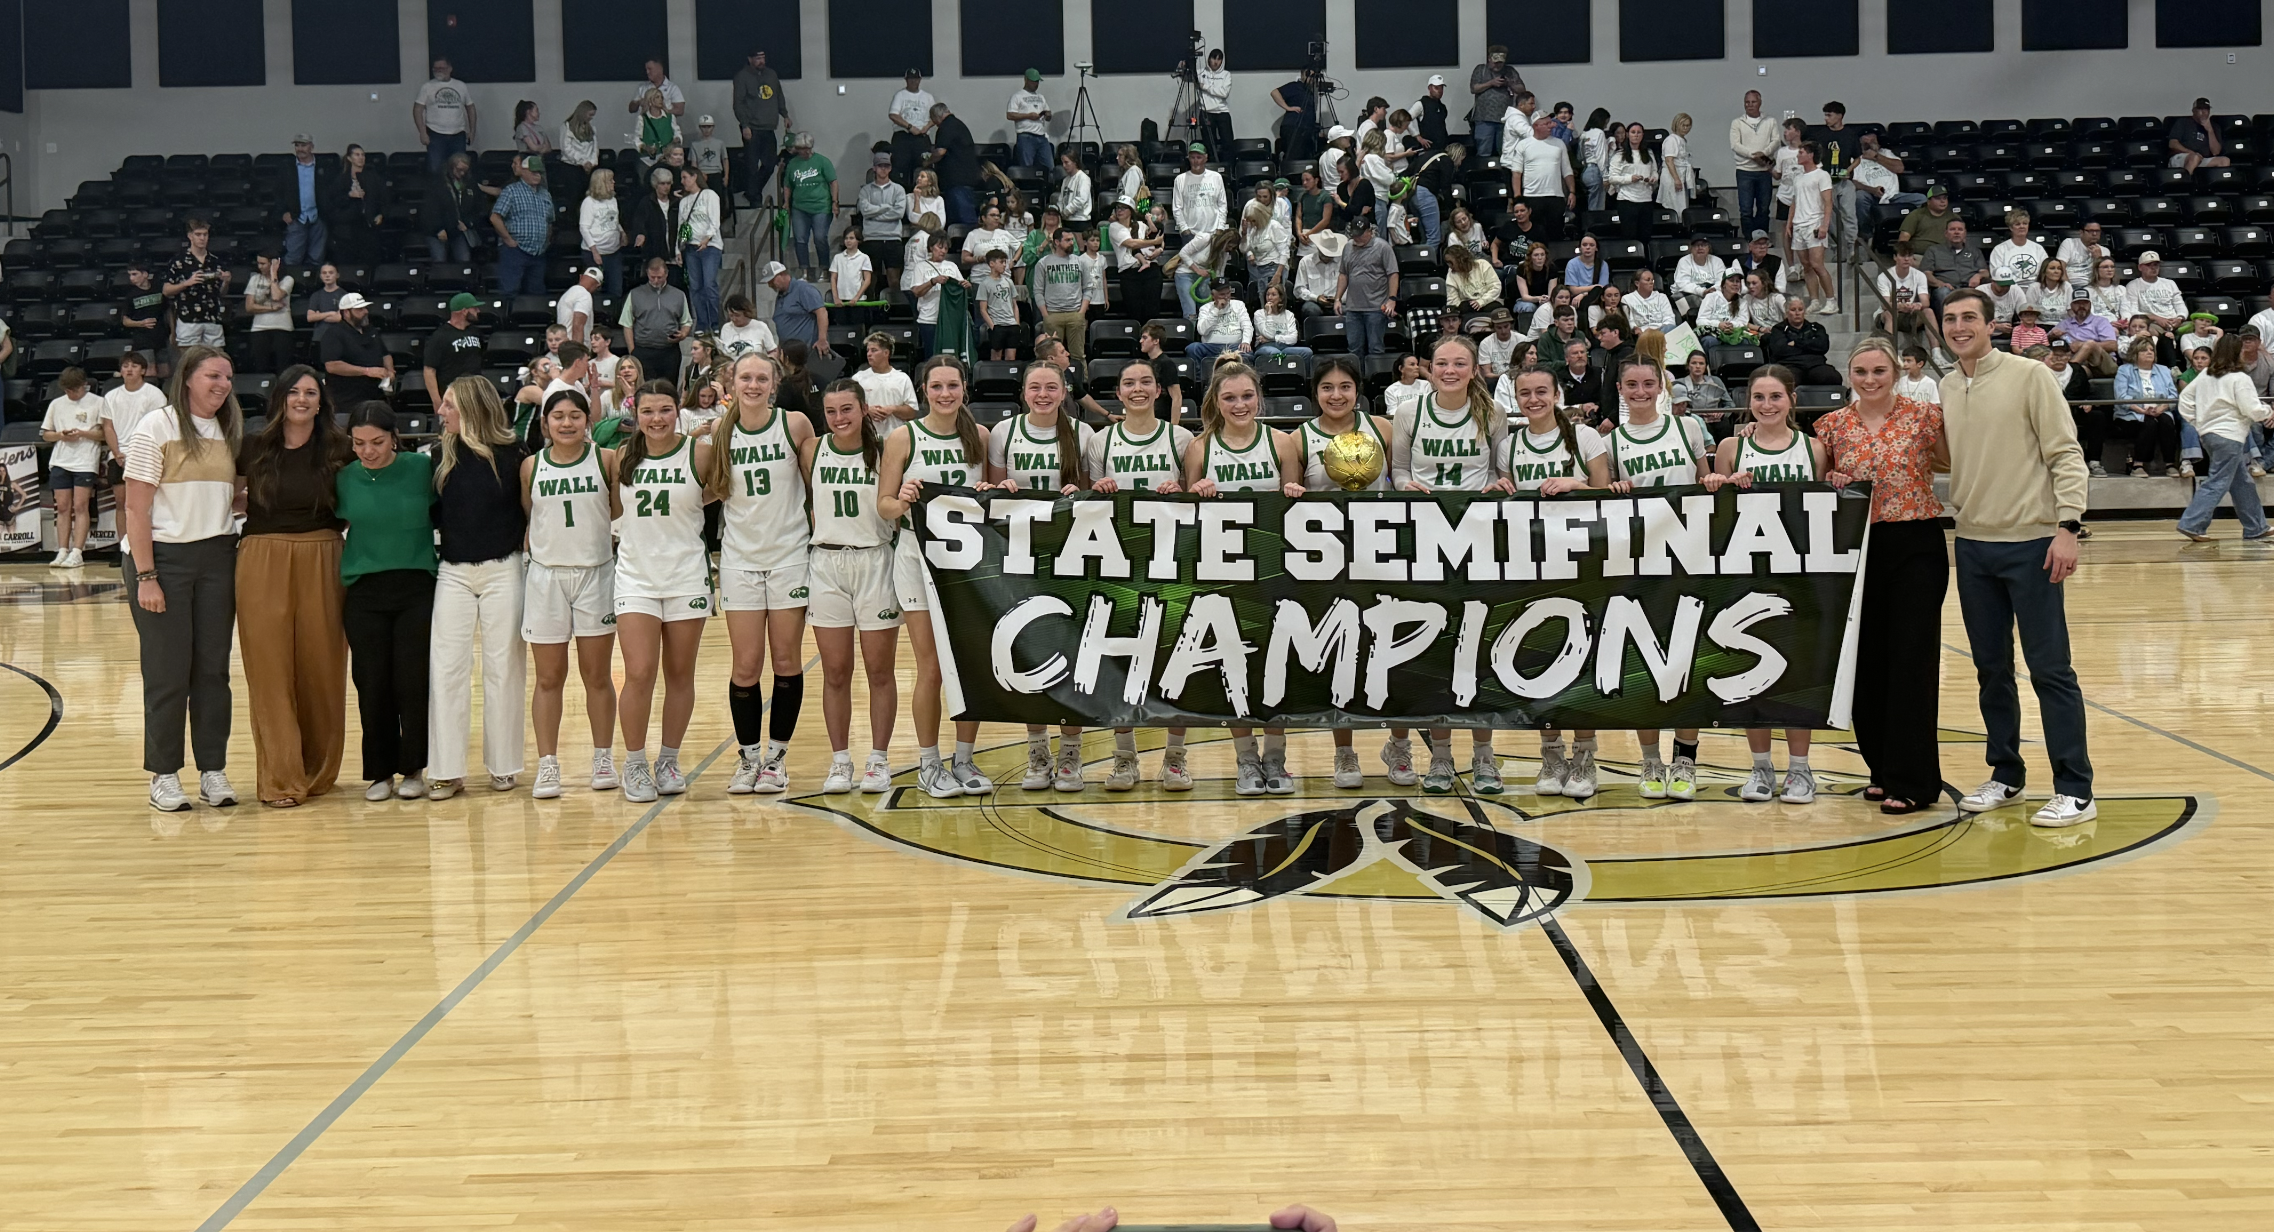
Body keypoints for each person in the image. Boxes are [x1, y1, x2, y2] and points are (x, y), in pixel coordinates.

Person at [1938, 288, 2096, 827]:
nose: (1959, 327)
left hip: (2033, 542)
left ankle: (2075, 787)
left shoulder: (2030, 376)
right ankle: (2007, 775)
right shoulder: (1947, 383)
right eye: (1950, 319)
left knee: (2050, 670)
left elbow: (2065, 453)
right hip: (1974, 544)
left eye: (1969, 319)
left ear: (1991, 324)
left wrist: (2068, 526)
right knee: (1991, 670)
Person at [1813, 338, 1952, 813]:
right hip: (1856, 549)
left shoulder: (1925, 416)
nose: (1870, 380)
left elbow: (1952, 461)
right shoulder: (1831, 426)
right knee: (1865, 662)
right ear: (1848, 375)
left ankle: (1913, 780)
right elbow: (1818, 481)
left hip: (1915, 543)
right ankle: (1881, 767)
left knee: (1911, 660)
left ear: (1896, 372)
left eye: (1878, 371)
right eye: (1860, 372)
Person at [1382, 334, 1507, 791]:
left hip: (1475, 541)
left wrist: (1496, 489)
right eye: (1441, 363)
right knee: (1433, 651)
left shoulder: (1491, 412)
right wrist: (1405, 487)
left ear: (1474, 369)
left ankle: (1485, 756)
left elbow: (1498, 471)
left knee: (1477, 649)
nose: (1449, 370)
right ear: (1428, 369)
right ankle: (1439, 756)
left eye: (1459, 363)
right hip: (1423, 539)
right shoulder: (1409, 412)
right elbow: (1397, 471)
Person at [124, 347, 244, 812]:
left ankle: (212, 769)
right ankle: (164, 774)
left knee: (213, 672)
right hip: (164, 561)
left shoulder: (229, 430)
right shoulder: (156, 426)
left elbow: (226, 500)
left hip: (218, 556)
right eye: (213, 375)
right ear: (188, 378)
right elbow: (136, 508)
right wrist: (147, 576)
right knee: (167, 673)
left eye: (229, 377)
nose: (223, 384)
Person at [1700, 365, 1828, 802]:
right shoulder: (1732, 446)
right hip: (1746, 578)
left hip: (1802, 578)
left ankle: (1801, 769)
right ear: (1748, 402)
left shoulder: (1815, 448)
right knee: (1749, 672)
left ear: (1791, 399)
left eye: (1775, 396)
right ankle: (1759, 768)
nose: (1767, 405)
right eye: (1759, 397)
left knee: (1799, 673)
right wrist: (1718, 483)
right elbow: (1717, 508)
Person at [875, 356, 997, 796]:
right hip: (917, 560)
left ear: (965, 388)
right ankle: (929, 762)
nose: (945, 394)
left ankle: (964, 760)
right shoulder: (904, 437)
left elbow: (1000, 499)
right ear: (924, 390)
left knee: (969, 666)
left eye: (953, 386)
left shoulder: (979, 437)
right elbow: (884, 507)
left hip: (969, 566)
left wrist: (992, 491)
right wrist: (903, 499)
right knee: (931, 668)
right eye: (937, 386)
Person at [1182, 361, 1305, 795]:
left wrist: (1294, 496)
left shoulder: (1282, 442)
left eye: (1247, 396)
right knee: (1233, 664)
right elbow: (1181, 517)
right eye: (1230, 397)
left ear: (1260, 398)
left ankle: (1276, 757)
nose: (1239, 404)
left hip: (1276, 569)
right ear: (1216, 401)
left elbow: (1300, 511)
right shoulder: (1200, 447)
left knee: (1278, 665)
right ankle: (1245, 759)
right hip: (1221, 573)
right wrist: (1194, 495)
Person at [1486, 362, 1608, 797]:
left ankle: (1586, 755)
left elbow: (1607, 493)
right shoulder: (1510, 445)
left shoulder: (1584, 436)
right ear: (1515, 399)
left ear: (1557, 393)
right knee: (1542, 659)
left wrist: (1574, 484)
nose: (1534, 400)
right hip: (1530, 562)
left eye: (1542, 391)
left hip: (1581, 561)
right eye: (1525, 393)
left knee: (1583, 660)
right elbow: (1505, 498)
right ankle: (1551, 754)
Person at [232, 367, 351, 808]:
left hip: (324, 554)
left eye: (311, 392)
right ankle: (281, 777)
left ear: (321, 402)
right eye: (294, 391)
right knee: (269, 671)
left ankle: (318, 771)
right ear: (279, 397)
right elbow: (227, 497)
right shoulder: (253, 447)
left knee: (322, 668)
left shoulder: (341, 448)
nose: (302, 399)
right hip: (261, 556)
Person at [1598, 356, 1710, 798]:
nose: (1640, 391)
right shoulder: (1613, 441)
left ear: (1662, 386)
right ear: (1621, 390)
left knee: (1687, 661)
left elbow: (1706, 484)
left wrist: (1716, 480)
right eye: (1631, 384)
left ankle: (1685, 759)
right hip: (1637, 563)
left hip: (1689, 558)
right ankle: (1649, 761)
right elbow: (1602, 499)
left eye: (1648, 383)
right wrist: (1614, 490)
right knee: (1642, 663)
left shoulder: (1688, 429)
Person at [984, 363, 1096, 790]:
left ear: (1064, 391)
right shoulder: (1003, 433)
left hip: (1071, 556)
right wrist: (1003, 491)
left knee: (1069, 652)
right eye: (1036, 387)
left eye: (1052, 387)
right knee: (1029, 652)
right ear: (1023, 392)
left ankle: (1070, 752)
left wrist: (1077, 494)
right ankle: (1037, 748)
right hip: (1019, 558)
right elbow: (990, 500)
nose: (1044, 394)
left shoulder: (1083, 434)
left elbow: (1091, 497)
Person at [605, 380, 715, 802]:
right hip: (636, 576)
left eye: (665, 410)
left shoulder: (698, 453)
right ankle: (634, 763)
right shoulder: (621, 457)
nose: (657, 419)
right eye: (648, 411)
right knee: (638, 672)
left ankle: (668, 760)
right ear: (636, 412)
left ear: (677, 411)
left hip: (686, 574)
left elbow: (718, 490)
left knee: (679, 674)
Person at [516, 389, 621, 800]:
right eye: (557, 416)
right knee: (548, 677)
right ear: (545, 424)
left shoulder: (605, 459)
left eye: (575, 416)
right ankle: (547, 764)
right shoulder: (530, 466)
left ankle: (602, 756)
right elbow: (531, 515)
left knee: (597, 676)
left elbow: (614, 510)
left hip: (596, 574)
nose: (566, 423)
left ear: (587, 421)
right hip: (546, 578)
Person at [335, 404, 436, 801]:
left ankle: (413, 768)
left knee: (412, 682)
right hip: (364, 592)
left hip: (416, 587)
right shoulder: (344, 479)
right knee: (371, 683)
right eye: (359, 443)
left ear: (394, 437)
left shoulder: (421, 470)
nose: (368, 451)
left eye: (377, 442)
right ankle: (379, 772)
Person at [2177, 334, 2272, 542]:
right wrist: (2268, 411)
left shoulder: (2205, 376)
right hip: (2229, 437)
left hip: (2210, 436)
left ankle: (2256, 526)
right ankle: (2192, 523)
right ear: (2237, 353)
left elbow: (2184, 399)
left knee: (2242, 482)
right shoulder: (2240, 378)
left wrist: (2199, 423)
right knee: (2217, 481)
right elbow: (2252, 409)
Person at [40, 368, 105, 568]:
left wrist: (83, 433)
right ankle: (62, 550)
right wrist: (61, 435)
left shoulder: (98, 402)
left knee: (80, 506)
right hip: (61, 460)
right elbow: (45, 434)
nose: (71, 394)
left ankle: (77, 552)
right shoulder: (56, 404)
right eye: (67, 390)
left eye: (74, 390)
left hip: (85, 460)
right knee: (63, 506)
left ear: (83, 385)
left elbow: (103, 433)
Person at [2112, 339, 2184, 476]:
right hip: (2130, 414)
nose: (2149, 353)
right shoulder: (2124, 370)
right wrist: (2143, 411)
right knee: (2148, 423)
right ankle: (2138, 465)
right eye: (2144, 350)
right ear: (2135, 354)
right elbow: (2121, 397)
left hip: (2159, 411)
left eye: (2151, 350)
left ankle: (2170, 464)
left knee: (2167, 422)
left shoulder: (2163, 370)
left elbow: (2173, 395)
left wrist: (2161, 409)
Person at [489, 155, 554, 298]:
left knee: (536, 292)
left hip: (539, 252)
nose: (537, 175)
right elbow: (495, 217)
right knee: (509, 291)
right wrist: (508, 240)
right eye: (533, 172)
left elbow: (549, 221)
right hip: (515, 250)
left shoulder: (545, 195)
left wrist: (546, 242)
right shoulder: (511, 191)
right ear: (523, 171)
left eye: (539, 172)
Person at [732, 47, 789, 207]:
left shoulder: (771, 74)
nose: (761, 61)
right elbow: (738, 103)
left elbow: (778, 95)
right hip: (752, 127)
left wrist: (785, 115)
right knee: (751, 165)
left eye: (763, 57)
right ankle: (754, 199)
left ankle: (751, 191)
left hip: (768, 126)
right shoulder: (742, 77)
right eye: (757, 58)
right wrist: (745, 125)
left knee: (770, 164)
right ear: (750, 59)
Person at [163, 217, 230, 351]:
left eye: (205, 234)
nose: (202, 238)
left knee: (215, 357)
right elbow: (166, 290)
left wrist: (226, 282)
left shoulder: (216, 262)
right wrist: (187, 283)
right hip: (188, 317)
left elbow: (221, 293)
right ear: (190, 236)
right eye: (198, 234)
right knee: (189, 360)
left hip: (212, 317)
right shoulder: (178, 262)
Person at [621, 258, 693, 383]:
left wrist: (683, 334)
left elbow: (686, 321)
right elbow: (627, 324)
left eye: (659, 277)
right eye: (652, 277)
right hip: (643, 350)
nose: (655, 281)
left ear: (666, 273)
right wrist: (633, 352)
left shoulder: (679, 295)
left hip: (669, 351)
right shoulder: (635, 294)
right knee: (644, 390)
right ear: (647, 273)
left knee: (668, 389)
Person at [1335, 218, 1398, 359]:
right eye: (1354, 234)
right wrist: (1337, 298)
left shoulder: (1383, 247)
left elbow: (1393, 274)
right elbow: (1343, 274)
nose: (1356, 237)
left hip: (1376, 307)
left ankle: (1375, 377)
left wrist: (1392, 299)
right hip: (1353, 308)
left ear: (1370, 232)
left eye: (1360, 234)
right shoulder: (1348, 247)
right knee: (1353, 348)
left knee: (1375, 347)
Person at [779, 131, 837, 282]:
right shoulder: (793, 163)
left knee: (820, 237)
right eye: (800, 148)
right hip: (799, 207)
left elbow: (833, 182)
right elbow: (787, 185)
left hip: (821, 206)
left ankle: (824, 268)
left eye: (806, 148)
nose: (804, 152)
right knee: (800, 239)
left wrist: (835, 202)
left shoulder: (822, 161)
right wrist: (786, 202)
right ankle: (804, 270)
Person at [1785, 143, 1834, 314]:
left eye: (1801, 152)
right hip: (1799, 224)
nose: (1798, 155)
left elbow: (1828, 202)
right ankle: (1814, 300)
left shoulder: (1822, 175)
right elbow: (1794, 202)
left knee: (1817, 264)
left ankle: (1831, 300)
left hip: (1814, 223)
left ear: (1811, 155)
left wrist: (1824, 226)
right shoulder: (1798, 177)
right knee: (1806, 265)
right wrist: (1789, 223)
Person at [319, 292, 390, 409]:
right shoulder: (334, 334)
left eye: (365, 308)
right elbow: (332, 365)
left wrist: (390, 371)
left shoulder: (371, 330)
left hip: (375, 398)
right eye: (360, 309)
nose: (366, 312)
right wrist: (366, 371)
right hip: (347, 401)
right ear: (347, 312)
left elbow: (385, 354)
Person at [1032, 229, 1090, 367]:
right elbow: (1038, 291)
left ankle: (1081, 385)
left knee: (1078, 355)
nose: (1072, 243)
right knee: (1051, 357)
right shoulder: (1043, 263)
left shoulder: (1080, 262)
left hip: (1075, 314)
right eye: (1067, 240)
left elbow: (1088, 288)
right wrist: (1046, 315)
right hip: (1052, 314)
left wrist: (1081, 313)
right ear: (1057, 242)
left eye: (1072, 239)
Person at [1512, 116, 1575, 241]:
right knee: (1535, 234)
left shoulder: (1559, 143)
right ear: (1536, 126)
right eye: (1547, 123)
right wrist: (1518, 197)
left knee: (1556, 232)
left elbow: (1567, 170)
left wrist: (1572, 192)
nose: (1552, 126)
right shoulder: (1523, 145)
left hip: (1555, 196)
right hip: (1532, 196)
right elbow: (1517, 173)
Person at [413, 57, 475, 172]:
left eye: (441, 68)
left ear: (450, 69)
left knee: (460, 168)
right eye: (435, 68)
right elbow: (417, 109)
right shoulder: (427, 87)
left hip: (458, 134)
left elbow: (470, 108)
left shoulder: (461, 86)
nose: (438, 70)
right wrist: (422, 132)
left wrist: (472, 130)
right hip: (435, 135)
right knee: (436, 169)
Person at [926, 102, 982, 228]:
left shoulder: (946, 127)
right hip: (967, 177)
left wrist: (928, 161)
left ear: (936, 116)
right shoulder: (959, 125)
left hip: (957, 180)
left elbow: (940, 151)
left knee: (964, 220)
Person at [241, 251, 296, 377]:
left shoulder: (287, 279)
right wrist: (271, 308)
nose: (260, 266)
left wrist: (273, 274)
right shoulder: (255, 279)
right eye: (258, 263)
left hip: (282, 328)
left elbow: (277, 296)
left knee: (283, 368)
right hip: (259, 328)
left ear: (273, 263)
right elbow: (249, 307)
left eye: (263, 263)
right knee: (261, 367)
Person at [1764, 296, 1841, 386]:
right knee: (1788, 380)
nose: (1797, 313)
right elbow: (1780, 350)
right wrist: (1810, 345)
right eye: (1793, 310)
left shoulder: (1816, 328)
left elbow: (1823, 346)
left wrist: (1796, 343)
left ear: (1804, 311)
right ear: (1787, 312)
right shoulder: (1778, 329)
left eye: (1800, 309)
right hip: (1790, 365)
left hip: (1815, 365)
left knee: (1832, 377)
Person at [1730, 90, 1777, 238]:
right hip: (1744, 171)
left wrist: (1763, 153)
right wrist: (1752, 155)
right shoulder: (1737, 123)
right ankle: (1749, 239)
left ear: (1760, 103)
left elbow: (1775, 141)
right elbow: (1735, 145)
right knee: (1746, 209)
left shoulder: (1771, 121)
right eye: (1747, 102)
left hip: (1764, 171)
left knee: (1763, 208)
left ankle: (1762, 237)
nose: (1750, 105)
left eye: (1753, 102)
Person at [424, 152, 484, 264]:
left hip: (457, 230)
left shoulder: (470, 184)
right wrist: (438, 229)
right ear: (451, 167)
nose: (462, 173)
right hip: (437, 230)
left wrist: (467, 223)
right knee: (439, 260)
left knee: (465, 259)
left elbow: (477, 208)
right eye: (459, 170)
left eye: (464, 171)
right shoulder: (438, 183)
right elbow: (430, 210)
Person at [765, 260, 830, 356]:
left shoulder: (803, 289)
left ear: (782, 274)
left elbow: (822, 312)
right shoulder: (781, 296)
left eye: (772, 281)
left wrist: (822, 340)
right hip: (789, 353)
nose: (770, 285)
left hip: (808, 352)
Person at [1468, 47, 1521, 159]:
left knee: (1505, 152)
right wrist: (1491, 83)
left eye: (1500, 63)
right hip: (1484, 118)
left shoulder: (1510, 71)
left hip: (1505, 119)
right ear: (1489, 59)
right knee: (1484, 151)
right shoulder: (1480, 69)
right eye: (1495, 63)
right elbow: (1474, 88)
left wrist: (1508, 83)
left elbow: (1522, 90)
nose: (1498, 65)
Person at [887, 69, 936, 188]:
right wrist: (909, 127)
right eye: (910, 79)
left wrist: (926, 127)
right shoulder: (900, 95)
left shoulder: (928, 97)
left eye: (916, 79)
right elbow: (893, 114)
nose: (913, 81)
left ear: (920, 80)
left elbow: (935, 116)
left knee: (924, 168)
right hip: (903, 137)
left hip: (922, 137)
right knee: (900, 169)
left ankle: (923, 196)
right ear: (906, 80)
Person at [1172, 142, 1228, 240]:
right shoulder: (1180, 179)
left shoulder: (1216, 177)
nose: (1195, 161)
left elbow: (1222, 204)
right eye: (1192, 157)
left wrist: (1220, 228)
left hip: (1213, 232)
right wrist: (1184, 229)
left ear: (1205, 158)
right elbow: (1177, 207)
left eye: (1199, 157)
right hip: (1191, 233)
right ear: (1189, 159)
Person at [1005, 68, 1054, 168]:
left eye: (1037, 82)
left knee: (1049, 166)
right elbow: (1010, 115)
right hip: (1026, 136)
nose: (1036, 84)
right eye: (1033, 81)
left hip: (1041, 136)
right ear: (1026, 80)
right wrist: (1028, 116)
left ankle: (1049, 183)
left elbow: (1048, 113)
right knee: (1027, 167)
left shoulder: (1041, 97)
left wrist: (1048, 115)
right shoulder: (1017, 96)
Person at [2169, 96, 2229, 173]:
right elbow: (2172, 144)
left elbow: (2216, 152)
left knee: (2225, 160)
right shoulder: (2183, 122)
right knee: (2194, 158)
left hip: (2202, 158)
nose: (2203, 112)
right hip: (2181, 157)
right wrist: (2191, 152)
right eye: (2200, 109)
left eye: (2206, 109)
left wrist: (2210, 130)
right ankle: (2185, 183)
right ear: (2194, 111)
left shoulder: (2214, 127)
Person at [1195, 48, 1233, 159]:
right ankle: (1211, 166)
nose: (1216, 62)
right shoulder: (1200, 72)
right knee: (1208, 144)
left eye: (1219, 59)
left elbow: (1224, 93)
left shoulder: (1226, 74)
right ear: (1209, 59)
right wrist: (1182, 66)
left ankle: (1228, 167)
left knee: (1227, 142)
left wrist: (1205, 87)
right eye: (1213, 58)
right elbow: (1184, 78)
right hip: (1206, 112)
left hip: (1222, 112)